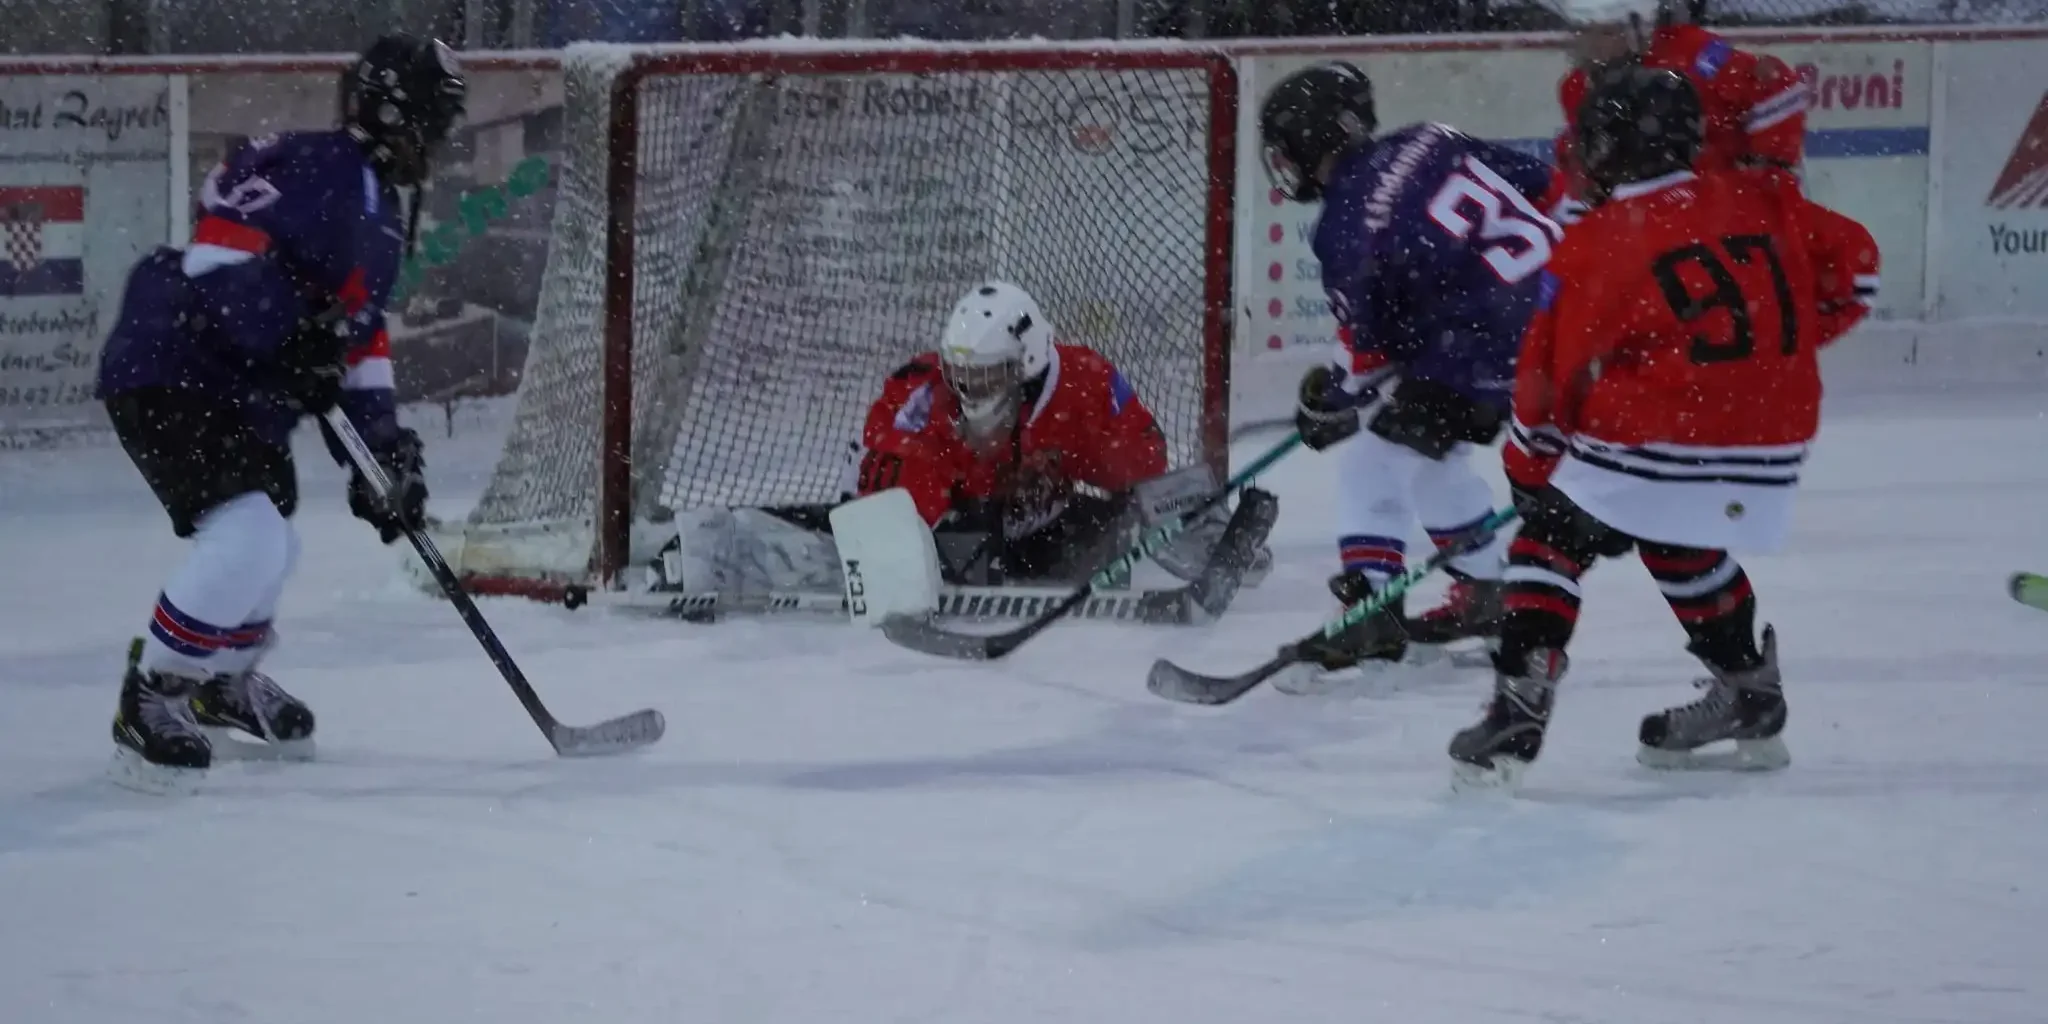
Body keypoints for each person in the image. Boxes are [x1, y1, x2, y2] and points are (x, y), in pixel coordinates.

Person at [1448, 66, 1879, 789]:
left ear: (1606, 147)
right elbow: (1857, 270)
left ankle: (1518, 704)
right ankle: (1749, 693)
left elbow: (1548, 381)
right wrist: (1780, 347)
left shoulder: (1597, 243)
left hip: (1661, 429)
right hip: (1773, 435)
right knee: (1676, 533)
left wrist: (1531, 472)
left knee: (1549, 541)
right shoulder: (1763, 195)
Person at [96, 34, 467, 779]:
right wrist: (289, 331)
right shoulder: (321, 167)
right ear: (403, 116)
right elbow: (217, 253)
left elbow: (358, 343)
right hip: (174, 366)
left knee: (273, 537)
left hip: (235, 387)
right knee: (251, 536)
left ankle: (218, 683)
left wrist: (382, 453)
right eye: (435, 121)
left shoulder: (380, 212)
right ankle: (153, 691)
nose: (439, 142)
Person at [1259, 61, 1562, 678]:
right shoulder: (1432, 137)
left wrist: (1332, 400)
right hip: (1567, 313)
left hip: (1492, 345)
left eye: (1288, 150)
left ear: (1315, 139)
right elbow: (1549, 189)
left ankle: (1372, 610)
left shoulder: (1346, 223)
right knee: (1427, 450)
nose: (1285, 165)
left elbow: (1372, 356)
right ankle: (1486, 592)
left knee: (1374, 459)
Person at [852, 281, 1263, 587]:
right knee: (941, 536)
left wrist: (1062, 467)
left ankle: (1207, 535)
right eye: (959, 377)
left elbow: (1144, 462)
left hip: (1038, 536)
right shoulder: (924, 398)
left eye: (985, 377)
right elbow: (891, 503)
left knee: (1114, 528)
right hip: (953, 535)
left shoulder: (1084, 384)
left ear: (1026, 367)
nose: (966, 392)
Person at [1545, 0, 1809, 224]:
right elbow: (1586, 164)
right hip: (1650, 221)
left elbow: (1776, 85)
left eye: (1604, 32)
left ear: (1639, 27)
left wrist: (1764, 177)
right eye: (1582, 31)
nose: (1589, 44)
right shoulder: (1576, 88)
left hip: (1722, 211)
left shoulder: (1693, 54)